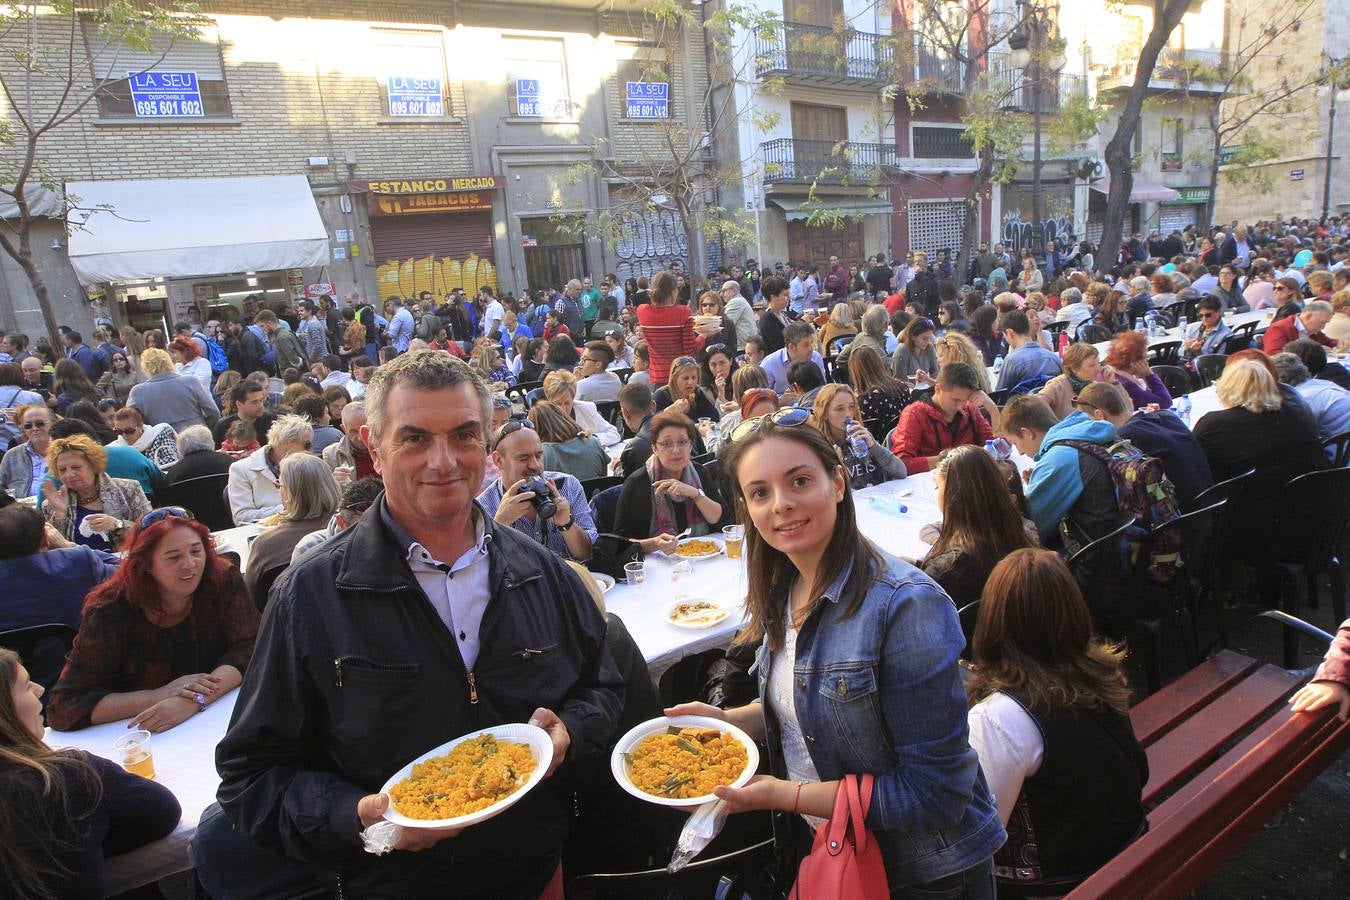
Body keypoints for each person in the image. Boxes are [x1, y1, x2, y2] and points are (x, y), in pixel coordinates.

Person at [210, 351, 622, 897]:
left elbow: (602, 688)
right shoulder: (310, 596)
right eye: (415, 439)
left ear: (487, 449)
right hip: (392, 885)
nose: (444, 460)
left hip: (535, 871)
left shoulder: (542, 572)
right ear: (374, 452)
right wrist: (356, 816)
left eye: (464, 435)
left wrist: (572, 732)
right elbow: (250, 776)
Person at [665, 417, 1004, 893]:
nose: (781, 505)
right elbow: (811, 705)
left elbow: (936, 794)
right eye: (760, 493)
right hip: (830, 846)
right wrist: (731, 722)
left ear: (838, 482)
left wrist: (784, 795)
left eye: (799, 481)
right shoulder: (785, 584)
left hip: (919, 873)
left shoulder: (905, 607)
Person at [965, 549, 1147, 897]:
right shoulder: (1103, 673)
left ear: (993, 619)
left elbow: (978, 839)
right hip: (1123, 854)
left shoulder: (998, 718)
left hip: (1062, 885)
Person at [44, 506, 257, 734]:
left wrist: (195, 699)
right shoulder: (111, 611)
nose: (189, 564)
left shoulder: (221, 580)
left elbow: (251, 646)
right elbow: (63, 707)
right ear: (146, 565)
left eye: (196, 551)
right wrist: (158, 696)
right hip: (144, 735)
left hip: (220, 722)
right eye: (173, 557)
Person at [0, 649, 182, 897]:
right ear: (4, 714)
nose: (40, 689)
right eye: (24, 686)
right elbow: (161, 812)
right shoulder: (61, 779)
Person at [0, 499, 120, 689]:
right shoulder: (75, 562)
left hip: (10, 698)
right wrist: (67, 545)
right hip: (88, 685)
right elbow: (129, 570)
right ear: (46, 540)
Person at [920, 445, 1037, 610]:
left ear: (952, 494)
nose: (936, 493)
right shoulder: (1021, 536)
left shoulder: (949, 571)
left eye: (937, 486)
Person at [999, 394, 1119, 548]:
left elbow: (1032, 528)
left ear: (1027, 433)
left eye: (1015, 443)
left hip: (1091, 557)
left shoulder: (1058, 459)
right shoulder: (1080, 432)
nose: (1020, 452)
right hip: (1114, 540)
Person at [1074, 382, 1214, 510]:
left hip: (1184, 519)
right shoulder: (1166, 415)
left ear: (1099, 415)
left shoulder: (1124, 440)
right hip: (1213, 503)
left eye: (1087, 420)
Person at [477, 417, 599, 562]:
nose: (535, 465)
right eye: (523, 458)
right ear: (498, 460)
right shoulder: (483, 507)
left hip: (569, 580)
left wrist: (567, 524)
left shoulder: (568, 485)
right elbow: (482, 569)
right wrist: (500, 525)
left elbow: (585, 554)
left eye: (539, 455)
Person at [614, 411, 727, 555]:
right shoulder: (638, 482)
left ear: (690, 447)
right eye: (667, 444)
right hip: (657, 567)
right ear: (655, 448)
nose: (676, 450)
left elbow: (722, 520)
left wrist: (695, 494)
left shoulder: (698, 472)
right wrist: (655, 543)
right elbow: (619, 543)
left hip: (702, 557)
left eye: (682, 442)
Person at [244, 454, 341, 606]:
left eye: (280, 485)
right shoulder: (352, 526)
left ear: (290, 494)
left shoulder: (265, 546)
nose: (279, 491)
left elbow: (253, 601)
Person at [41, 434, 151, 552]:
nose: (69, 474)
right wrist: (59, 514)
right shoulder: (51, 505)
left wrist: (117, 525)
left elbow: (151, 532)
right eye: (62, 470)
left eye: (76, 467)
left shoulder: (129, 489)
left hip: (124, 565)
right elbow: (51, 553)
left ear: (93, 466)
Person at [890, 362, 994, 474]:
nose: (960, 406)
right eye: (955, 400)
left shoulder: (970, 408)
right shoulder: (914, 414)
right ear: (938, 388)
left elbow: (996, 447)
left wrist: (993, 409)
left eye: (965, 399)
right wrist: (953, 458)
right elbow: (902, 463)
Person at [809, 384, 906, 489]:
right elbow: (827, 492)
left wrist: (875, 447)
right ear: (824, 413)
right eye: (839, 409)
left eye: (851, 407)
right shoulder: (822, 447)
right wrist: (834, 465)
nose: (848, 414)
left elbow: (901, 472)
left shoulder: (862, 436)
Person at [227, 414, 315, 525]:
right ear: (285, 443)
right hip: (263, 534)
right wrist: (287, 508)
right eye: (307, 445)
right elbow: (242, 517)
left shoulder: (307, 464)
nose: (311, 450)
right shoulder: (241, 469)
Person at [1271, 352, 1350, 461]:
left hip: (1337, 458)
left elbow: (1294, 435)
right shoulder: (1321, 383)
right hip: (1343, 450)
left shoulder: (1301, 398)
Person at [290, 476, 383, 563]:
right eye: (364, 531)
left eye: (384, 528)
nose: (374, 539)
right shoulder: (309, 548)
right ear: (341, 522)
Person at [129, 348, 220, 434]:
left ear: (145, 367)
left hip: (163, 443)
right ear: (169, 362)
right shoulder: (191, 381)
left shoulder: (138, 392)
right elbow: (213, 411)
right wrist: (205, 428)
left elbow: (129, 421)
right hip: (198, 435)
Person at [529, 400, 610, 482]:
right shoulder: (593, 442)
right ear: (564, 417)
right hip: (596, 493)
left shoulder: (541, 454)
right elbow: (604, 480)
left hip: (561, 494)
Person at [541, 369, 621, 447]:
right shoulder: (542, 418)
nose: (563, 408)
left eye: (567, 403)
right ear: (549, 400)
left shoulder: (587, 408)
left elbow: (613, 434)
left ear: (573, 398)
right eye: (557, 404)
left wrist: (591, 439)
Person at [994, 308, 1061, 393]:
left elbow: (1000, 393)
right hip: (1052, 403)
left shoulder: (1011, 361)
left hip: (1022, 404)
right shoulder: (1054, 358)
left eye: (1005, 336)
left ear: (1010, 333)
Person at [1039, 344, 1113, 420]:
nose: (1098, 369)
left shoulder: (1095, 386)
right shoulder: (1058, 386)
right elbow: (1034, 408)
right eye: (1091, 365)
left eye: (1098, 363)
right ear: (1074, 368)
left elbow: (1121, 412)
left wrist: (1113, 383)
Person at [1104, 331, 1172, 409]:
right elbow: (1165, 402)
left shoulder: (1114, 374)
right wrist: (1149, 375)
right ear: (1133, 361)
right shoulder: (1127, 386)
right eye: (1145, 357)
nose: (1147, 361)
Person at [848, 345, 910, 427]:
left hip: (875, 439)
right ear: (879, 364)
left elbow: (860, 427)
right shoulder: (903, 387)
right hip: (904, 434)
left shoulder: (865, 399)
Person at [761, 320, 825, 395]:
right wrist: (780, 400)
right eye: (805, 345)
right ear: (791, 347)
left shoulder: (816, 357)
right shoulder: (769, 364)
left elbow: (822, 388)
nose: (811, 348)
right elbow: (762, 397)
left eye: (812, 342)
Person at [1, 405, 52, 498]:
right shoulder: (12, 456)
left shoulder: (64, 451)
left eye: (39, 423)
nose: (34, 428)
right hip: (21, 510)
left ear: (52, 423)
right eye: (28, 426)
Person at [323, 401, 379, 485]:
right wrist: (333, 482)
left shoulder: (385, 448)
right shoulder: (332, 455)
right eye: (353, 432)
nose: (360, 438)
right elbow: (328, 493)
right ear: (343, 429)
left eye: (364, 430)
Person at [654, 354, 721, 422]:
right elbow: (651, 424)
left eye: (694, 378)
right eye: (685, 378)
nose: (690, 382)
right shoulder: (662, 395)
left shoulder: (696, 392)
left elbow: (714, 416)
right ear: (674, 378)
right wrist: (670, 411)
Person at [212, 379, 276, 449]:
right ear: (239, 404)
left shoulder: (271, 422)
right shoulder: (223, 427)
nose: (260, 406)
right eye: (254, 402)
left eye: (261, 400)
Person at [111, 405, 180, 469]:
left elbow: (172, 458)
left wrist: (140, 468)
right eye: (119, 431)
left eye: (129, 431)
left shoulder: (159, 434)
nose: (124, 435)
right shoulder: (116, 447)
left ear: (140, 426)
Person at [1263, 299, 1335, 355]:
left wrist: (1339, 344)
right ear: (1308, 316)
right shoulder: (1279, 328)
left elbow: (1329, 342)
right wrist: (1313, 353)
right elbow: (1273, 354)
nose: (1323, 327)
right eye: (1322, 323)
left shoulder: (1312, 329)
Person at [1183, 295, 1231, 361]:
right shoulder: (1192, 328)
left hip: (1204, 368)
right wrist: (1185, 348)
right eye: (1200, 315)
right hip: (1186, 364)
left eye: (1208, 315)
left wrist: (1199, 352)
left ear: (1219, 312)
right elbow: (1179, 354)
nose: (1204, 318)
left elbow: (1218, 361)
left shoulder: (1225, 334)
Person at [891, 316, 939, 382]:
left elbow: (935, 373)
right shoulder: (902, 351)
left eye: (930, 338)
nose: (928, 342)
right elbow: (899, 380)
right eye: (924, 338)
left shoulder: (929, 347)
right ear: (912, 336)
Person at [757, 276, 793, 355]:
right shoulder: (767, 319)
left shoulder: (784, 314)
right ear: (773, 296)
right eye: (785, 295)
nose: (789, 298)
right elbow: (780, 345)